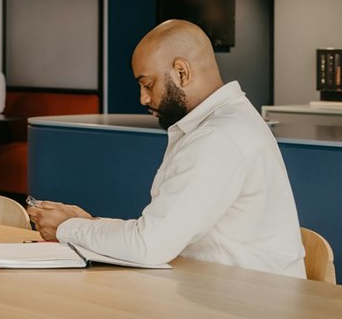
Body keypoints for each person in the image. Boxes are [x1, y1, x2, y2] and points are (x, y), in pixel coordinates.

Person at [28, 19, 306, 278]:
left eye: (148, 84)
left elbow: (149, 245)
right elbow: (159, 234)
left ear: (181, 72)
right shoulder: (225, 122)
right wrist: (90, 224)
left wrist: (68, 228)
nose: (143, 98)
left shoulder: (218, 137)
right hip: (227, 290)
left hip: (253, 303)